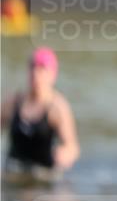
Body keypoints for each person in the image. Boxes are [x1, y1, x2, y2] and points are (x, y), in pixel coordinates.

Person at [1, 47, 80, 183]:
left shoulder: (57, 107)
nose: (36, 73)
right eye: (33, 67)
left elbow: (72, 147)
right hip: (13, 171)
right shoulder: (14, 102)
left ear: (52, 74)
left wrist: (65, 154)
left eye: (42, 69)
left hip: (43, 175)